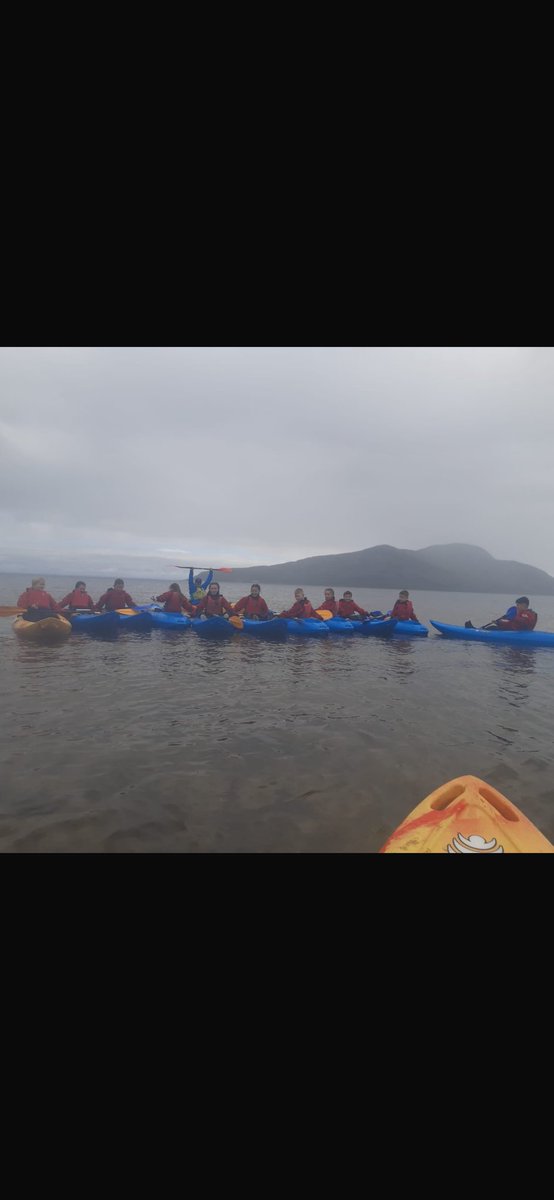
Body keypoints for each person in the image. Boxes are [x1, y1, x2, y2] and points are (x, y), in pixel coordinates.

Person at [465, 597, 538, 632]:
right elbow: (513, 622)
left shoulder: (526, 614)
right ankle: (475, 629)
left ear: (524, 605)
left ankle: (474, 631)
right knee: (493, 626)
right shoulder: (528, 613)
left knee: (492, 628)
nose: (517, 607)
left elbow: (517, 622)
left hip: (517, 633)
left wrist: (499, 622)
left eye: (518, 605)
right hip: (517, 632)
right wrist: (500, 622)